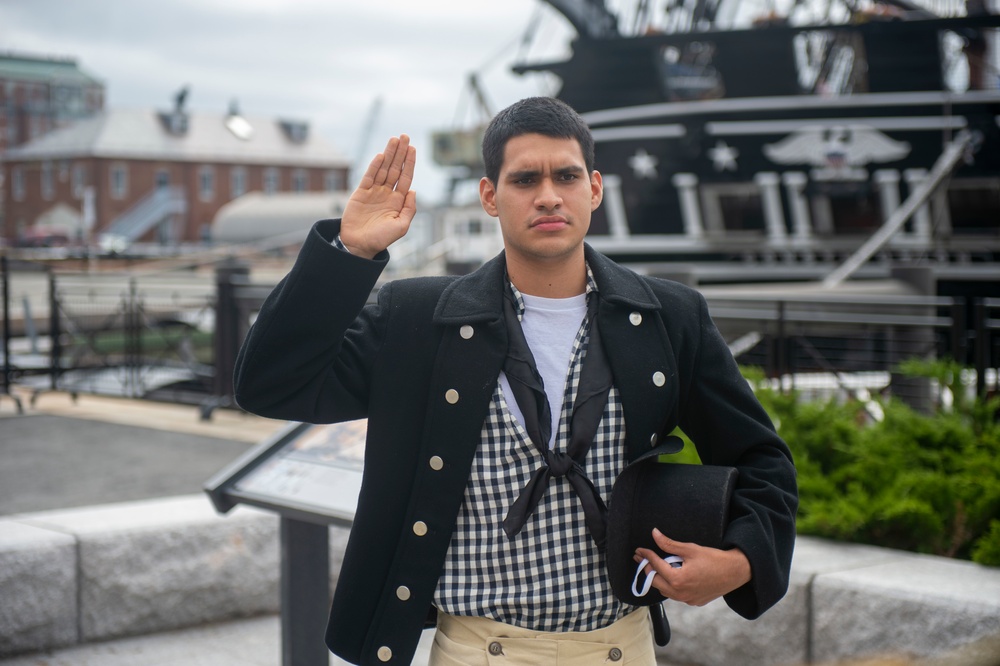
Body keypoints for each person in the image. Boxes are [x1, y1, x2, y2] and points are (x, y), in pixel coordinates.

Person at [234, 96, 797, 665]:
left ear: (594, 189)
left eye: (567, 176)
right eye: (525, 178)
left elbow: (763, 460)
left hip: (621, 651)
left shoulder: (669, 317)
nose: (548, 195)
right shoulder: (417, 319)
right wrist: (351, 251)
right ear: (490, 197)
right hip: (477, 651)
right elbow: (271, 384)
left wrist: (741, 562)